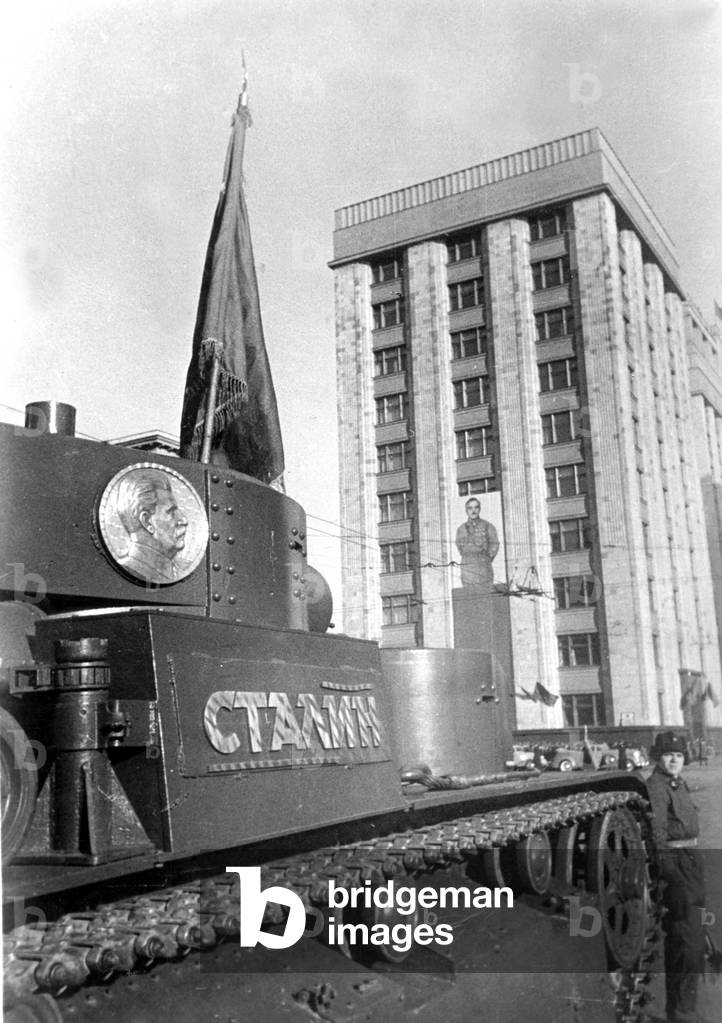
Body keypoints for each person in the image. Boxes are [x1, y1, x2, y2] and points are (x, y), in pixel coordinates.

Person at [646, 731, 706, 1023]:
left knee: (694, 940)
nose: (674, 760)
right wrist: (672, 875)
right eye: (668, 755)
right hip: (676, 865)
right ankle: (681, 1014)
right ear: (658, 757)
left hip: (691, 861)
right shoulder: (656, 787)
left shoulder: (677, 783)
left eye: (679, 755)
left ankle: (683, 1010)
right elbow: (657, 834)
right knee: (685, 942)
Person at [115, 471, 189, 583]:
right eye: (171, 512)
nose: (184, 520)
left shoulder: (178, 571)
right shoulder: (130, 570)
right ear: (147, 521)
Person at [455, 498, 499, 589]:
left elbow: (494, 544)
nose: (473, 511)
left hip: (483, 567)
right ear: (466, 511)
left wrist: (486, 559)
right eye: (470, 508)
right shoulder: (461, 529)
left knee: (485, 592)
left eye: (476, 507)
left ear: (480, 509)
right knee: (469, 593)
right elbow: (460, 547)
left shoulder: (487, 526)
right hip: (468, 567)